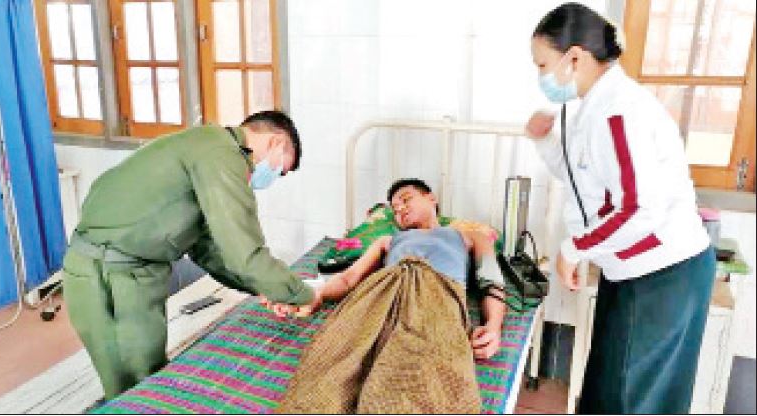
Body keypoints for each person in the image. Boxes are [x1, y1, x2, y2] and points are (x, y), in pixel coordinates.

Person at [526, 3, 715, 414]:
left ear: (574, 58)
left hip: (662, 275)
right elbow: (584, 181)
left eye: (542, 65)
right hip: (631, 269)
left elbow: (637, 208)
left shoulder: (618, 112)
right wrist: (545, 141)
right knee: (609, 389)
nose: (541, 77)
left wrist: (574, 248)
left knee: (630, 398)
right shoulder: (593, 106)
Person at [61, 110, 316, 400]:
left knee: (139, 376)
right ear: (275, 142)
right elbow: (244, 252)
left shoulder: (206, 144)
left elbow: (208, 249)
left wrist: (265, 288)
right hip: (109, 275)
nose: (274, 176)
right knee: (136, 386)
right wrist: (303, 294)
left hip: (114, 269)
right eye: (281, 170)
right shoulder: (222, 155)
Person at [271, 178, 506, 413]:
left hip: (435, 300)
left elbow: (492, 282)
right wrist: (316, 295)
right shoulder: (388, 241)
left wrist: (493, 327)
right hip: (380, 295)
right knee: (333, 364)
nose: (400, 209)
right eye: (395, 209)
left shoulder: (470, 236)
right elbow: (349, 278)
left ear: (431, 199)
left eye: (406, 199)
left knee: (421, 377)